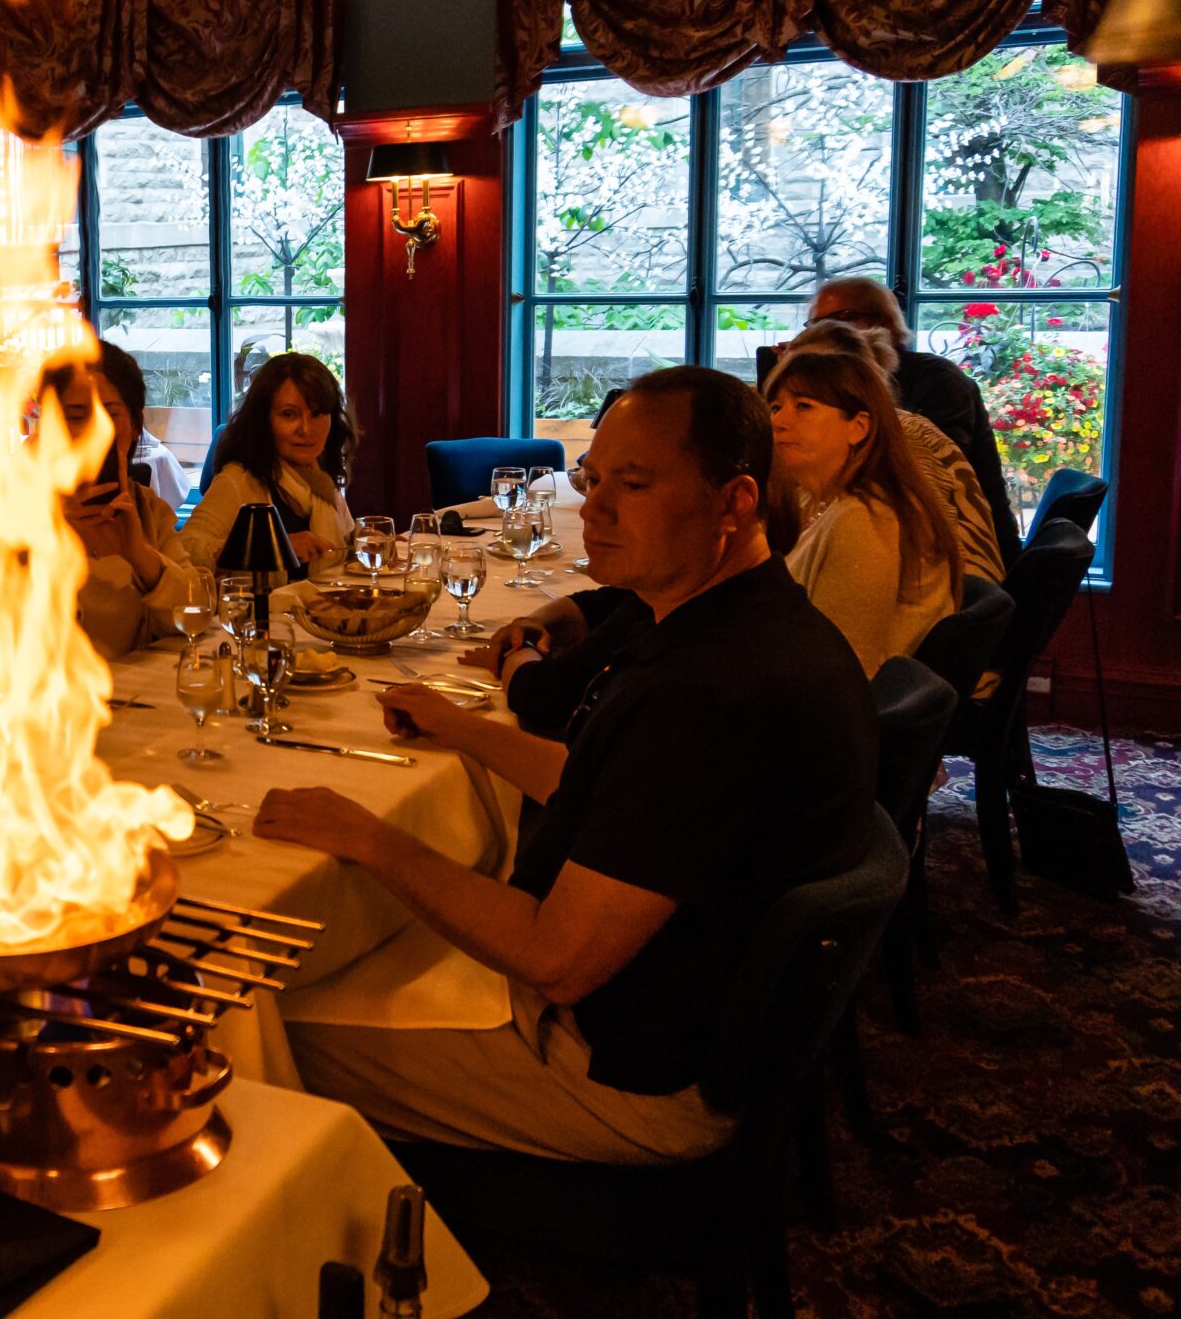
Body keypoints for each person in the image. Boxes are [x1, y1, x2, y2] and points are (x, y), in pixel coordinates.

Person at [254, 368, 877, 1163]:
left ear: (734, 503)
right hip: (667, 1000)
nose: (596, 509)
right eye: (593, 479)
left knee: (260, 1028)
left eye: (635, 483)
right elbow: (615, 796)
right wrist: (462, 728)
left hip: (628, 1071)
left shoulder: (717, 694)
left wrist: (369, 838)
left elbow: (557, 959)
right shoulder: (738, 621)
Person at [764, 345, 964, 675]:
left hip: (829, 712)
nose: (780, 421)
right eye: (775, 407)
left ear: (858, 426)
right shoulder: (816, 499)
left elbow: (842, 667)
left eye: (803, 406)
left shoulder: (866, 517)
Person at [808, 276, 1018, 567]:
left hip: (961, 553)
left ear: (884, 322)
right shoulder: (835, 390)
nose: (822, 336)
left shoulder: (937, 380)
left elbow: (928, 479)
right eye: (813, 326)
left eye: (838, 320)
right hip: (898, 537)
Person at [778, 319, 1004, 585]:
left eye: (803, 402)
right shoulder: (826, 454)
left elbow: (920, 563)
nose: (781, 418)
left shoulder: (906, 439)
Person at [43, 343, 195, 657]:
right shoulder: (12, 509)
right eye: (76, 415)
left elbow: (196, 613)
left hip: (136, 697)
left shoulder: (147, 510)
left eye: (110, 415)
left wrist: (139, 554)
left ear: (135, 427)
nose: (96, 432)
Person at [183, 352, 359, 580]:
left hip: (319, 611)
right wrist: (272, 547)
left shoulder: (319, 479)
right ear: (263, 420)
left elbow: (344, 548)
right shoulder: (239, 480)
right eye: (289, 415)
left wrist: (369, 543)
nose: (306, 429)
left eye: (317, 414)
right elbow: (186, 548)